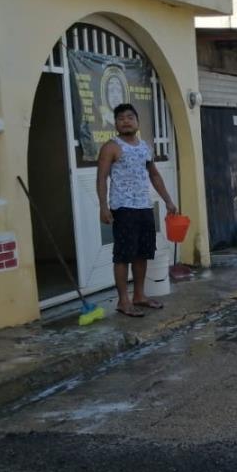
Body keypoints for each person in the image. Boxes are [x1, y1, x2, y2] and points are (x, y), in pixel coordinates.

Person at [96, 103, 178, 318]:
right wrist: (103, 207)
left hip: (144, 206)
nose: (125, 121)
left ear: (137, 122)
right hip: (123, 208)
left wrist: (168, 201)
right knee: (123, 255)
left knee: (142, 253)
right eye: (121, 118)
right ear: (115, 123)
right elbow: (101, 177)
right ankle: (123, 301)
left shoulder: (144, 147)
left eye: (130, 117)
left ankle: (139, 296)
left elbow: (155, 175)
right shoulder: (111, 147)